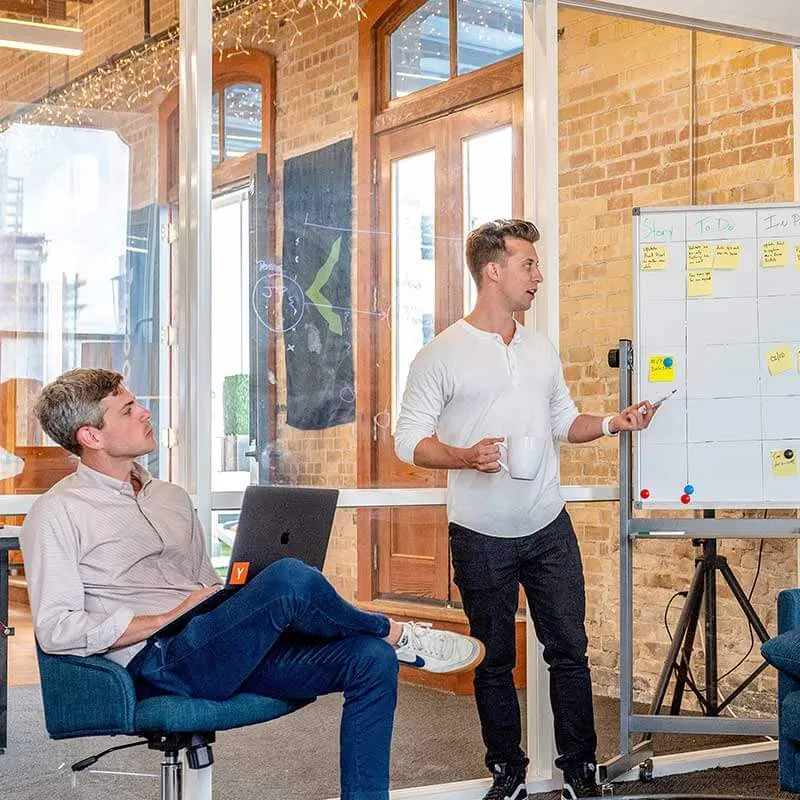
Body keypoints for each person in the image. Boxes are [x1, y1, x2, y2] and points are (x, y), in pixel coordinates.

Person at [20, 368, 485, 800]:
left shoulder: (171, 498)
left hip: (212, 644)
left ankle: (379, 661)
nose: (145, 412)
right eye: (127, 408)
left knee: (369, 659)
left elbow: (203, 583)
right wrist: (167, 616)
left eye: (138, 402)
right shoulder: (57, 512)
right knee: (288, 578)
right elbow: (57, 629)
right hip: (160, 660)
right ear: (90, 436)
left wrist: (226, 598)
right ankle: (392, 630)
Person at [394, 219, 657, 800]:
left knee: (569, 651)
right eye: (528, 264)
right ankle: (507, 774)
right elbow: (407, 439)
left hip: (548, 526)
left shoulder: (539, 347)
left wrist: (615, 422)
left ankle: (579, 773)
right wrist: (465, 455)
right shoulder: (441, 354)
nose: (538, 275)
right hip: (480, 533)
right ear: (494, 270)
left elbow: (565, 421)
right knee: (493, 659)